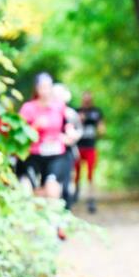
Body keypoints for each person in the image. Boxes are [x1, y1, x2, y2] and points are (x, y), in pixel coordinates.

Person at [18, 72, 69, 202]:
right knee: (28, 191)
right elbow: (18, 135)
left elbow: (66, 126)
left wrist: (69, 134)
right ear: (37, 89)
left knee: (52, 190)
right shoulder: (27, 108)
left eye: (48, 87)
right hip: (33, 155)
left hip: (56, 154)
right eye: (43, 87)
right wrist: (35, 126)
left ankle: (54, 219)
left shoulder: (59, 106)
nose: (46, 91)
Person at [52, 83, 82, 210]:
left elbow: (79, 131)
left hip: (67, 153)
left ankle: (65, 212)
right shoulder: (49, 113)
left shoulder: (71, 114)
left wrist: (72, 137)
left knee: (65, 186)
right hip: (51, 153)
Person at [74, 90, 105, 213]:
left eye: (89, 98)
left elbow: (102, 128)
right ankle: (75, 192)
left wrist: (100, 128)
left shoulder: (96, 112)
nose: (87, 100)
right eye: (85, 98)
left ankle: (91, 198)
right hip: (78, 147)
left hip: (91, 147)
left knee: (91, 173)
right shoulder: (76, 112)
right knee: (76, 172)